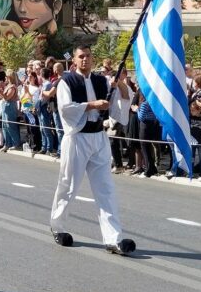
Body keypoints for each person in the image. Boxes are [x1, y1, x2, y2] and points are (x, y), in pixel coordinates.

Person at [49, 45, 136, 255]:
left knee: (105, 189)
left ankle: (113, 238)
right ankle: (58, 226)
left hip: (98, 138)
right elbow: (66, 109)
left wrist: (120, 85)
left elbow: (122, 102)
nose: (85, 59)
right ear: (75, 61)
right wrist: (93, 105)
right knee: (68, 186)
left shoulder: (101, 81)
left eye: (88, 56)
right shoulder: (66, 82)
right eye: (81, 56)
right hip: (77, 138)